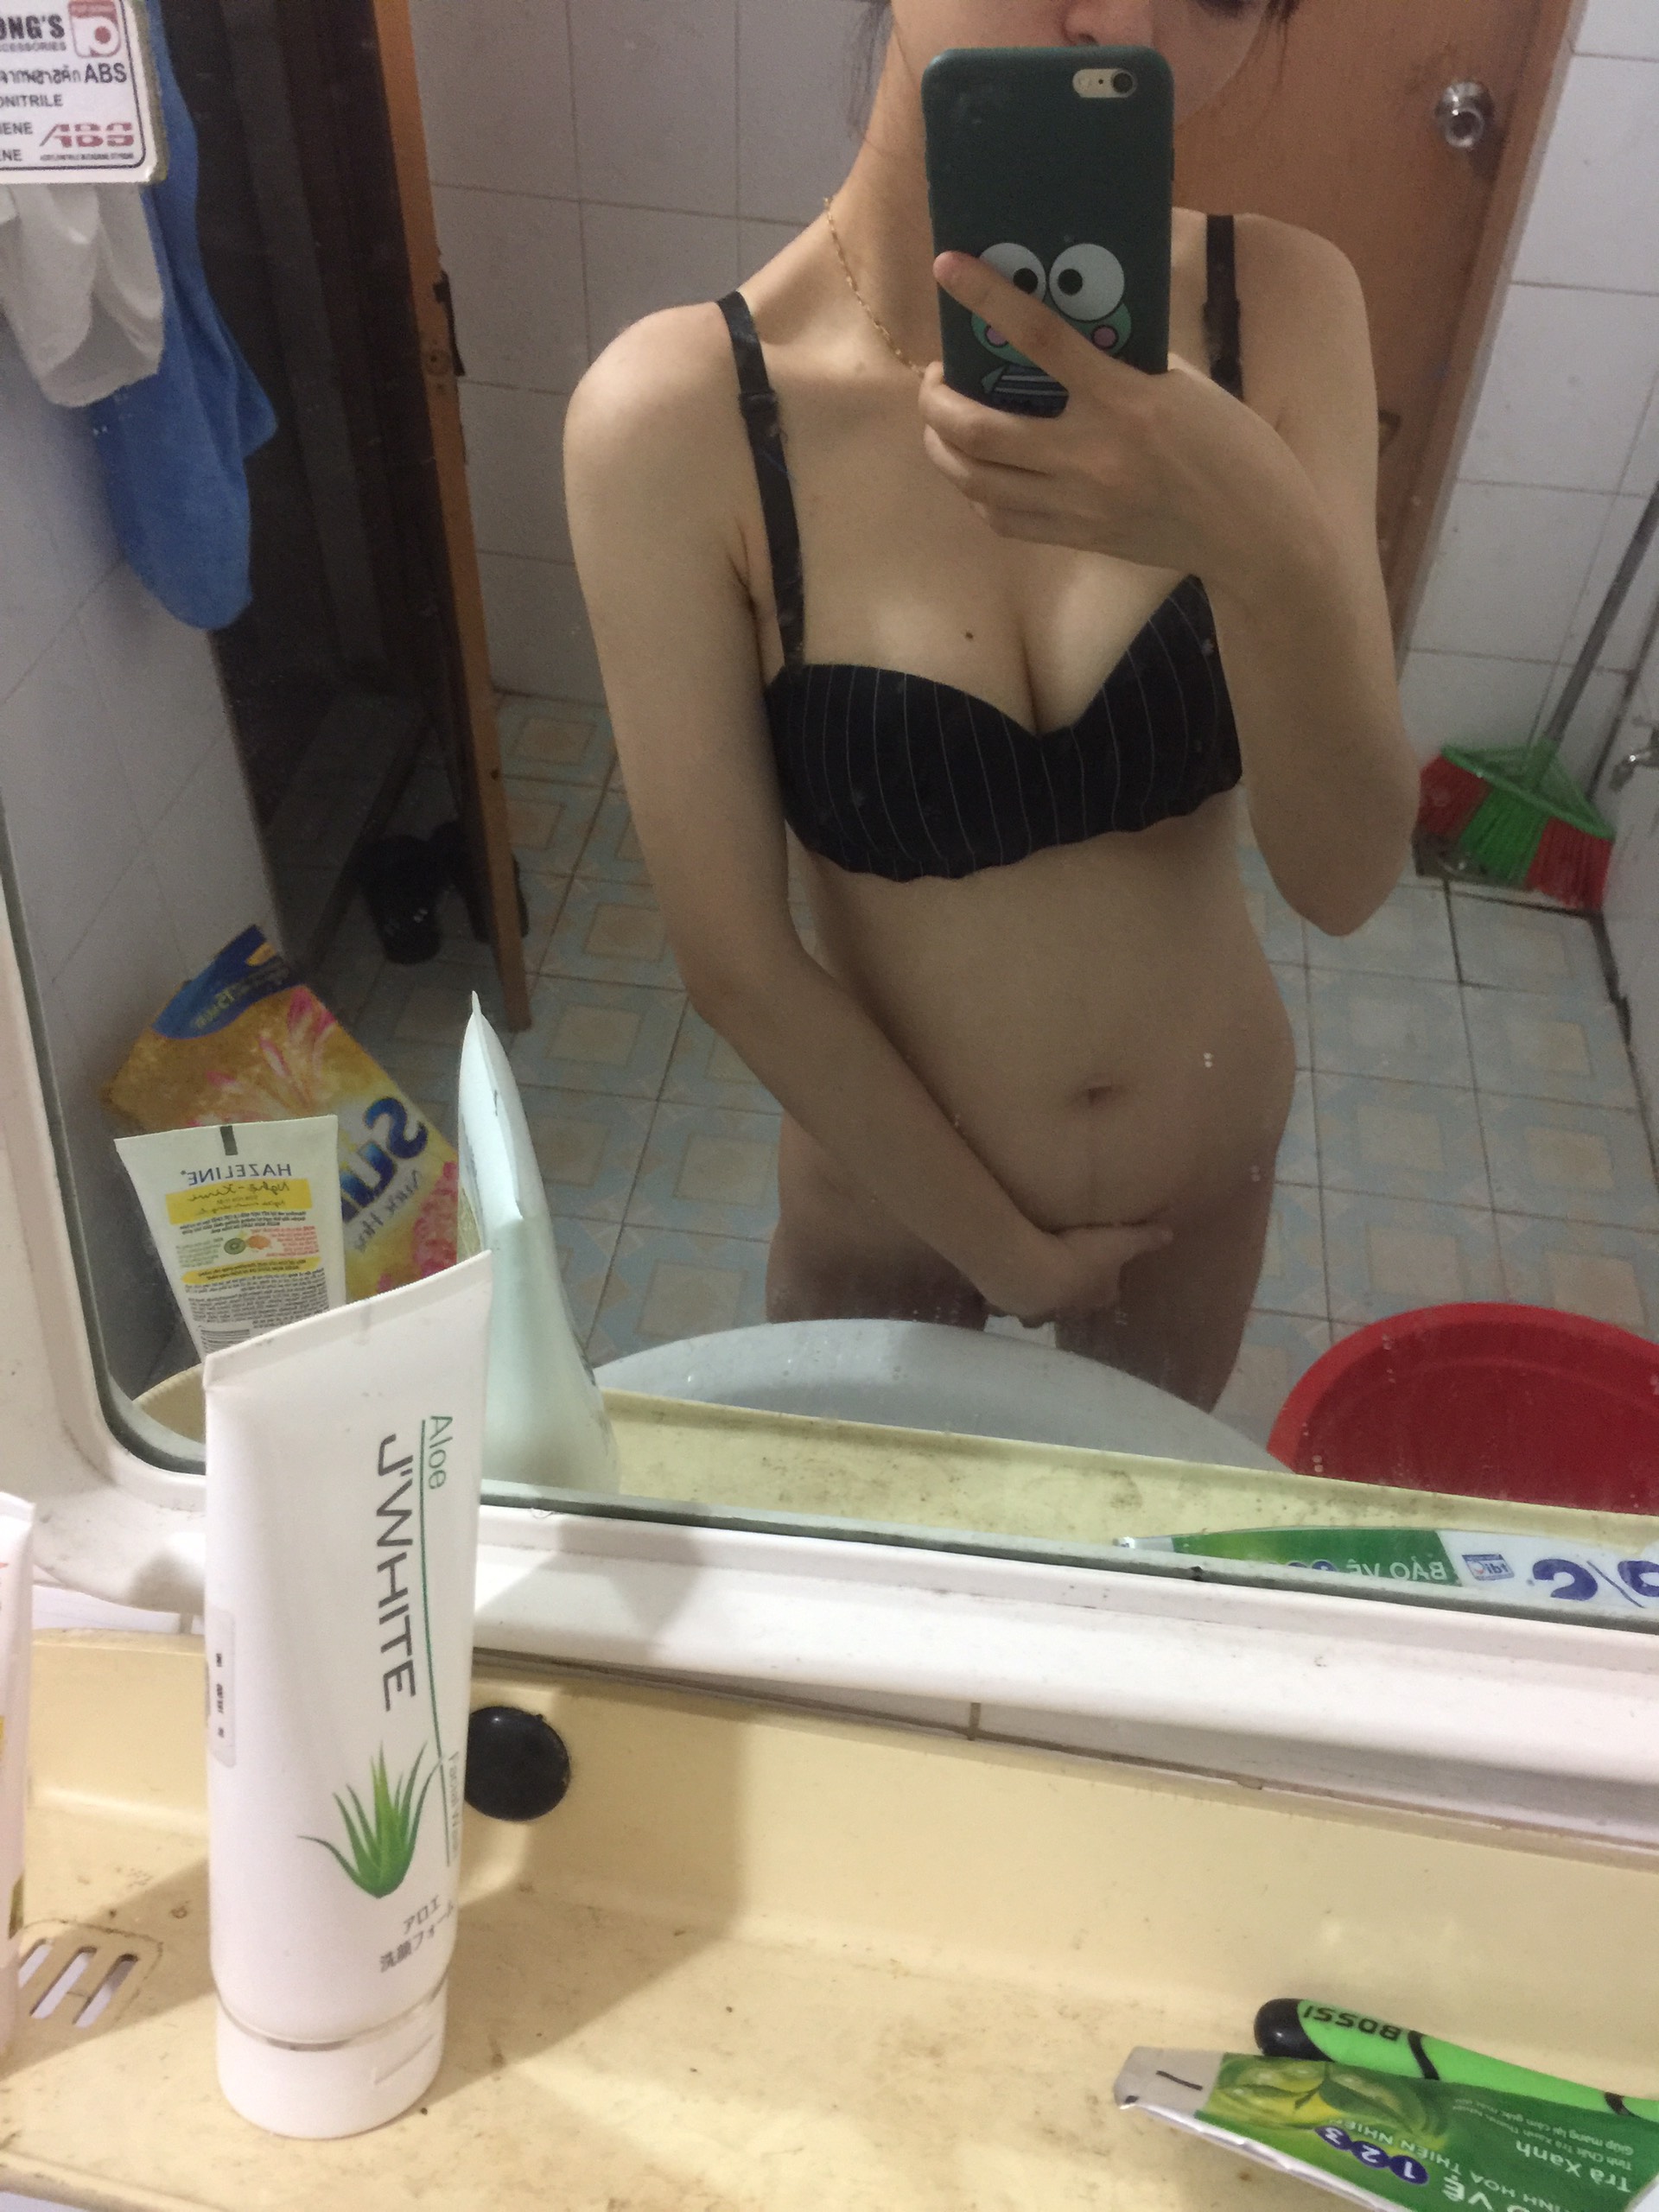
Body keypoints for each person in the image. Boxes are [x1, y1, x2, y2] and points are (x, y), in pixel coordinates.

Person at [564, 0, 1419, 1410]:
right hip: (889, 1207)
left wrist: (1262, 536)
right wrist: (1006, 1252)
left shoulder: (1280, 309)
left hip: (1201, 1181)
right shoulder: (676, 420)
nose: (1121, 21)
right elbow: (736, 961)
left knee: (1133, 1536)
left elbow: (1346, 877)